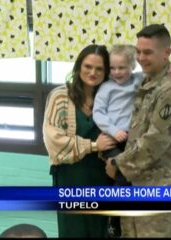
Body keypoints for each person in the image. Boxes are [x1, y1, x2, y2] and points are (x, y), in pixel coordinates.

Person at [105, 24, 171, 237]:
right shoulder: (149, 82)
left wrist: (119, 164)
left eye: (148, 52)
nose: (141, 58)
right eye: (138, 51)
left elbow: (154, 142)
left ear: (166, 53)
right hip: (140, 184)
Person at [43, 44, 117, 238]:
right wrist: (93, 145)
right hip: (70, 175)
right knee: (72, 230)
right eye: (88, 66)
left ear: (106, 72)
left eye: (99, 68)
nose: (93, 72)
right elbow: (53, 141)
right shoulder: (60, 96)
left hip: (102, 176)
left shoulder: (111, 99)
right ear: (78, 67)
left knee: (99, 230)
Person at [93, 44, 144, 160]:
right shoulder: (106, 88)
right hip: (111, 137)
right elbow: (98, 113)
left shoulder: (137, 79)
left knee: (133, 165)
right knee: (118, 166)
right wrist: (113, 130)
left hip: (132, 138)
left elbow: (156, 71)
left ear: (132, 66)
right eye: (112, 68)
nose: (116, 72)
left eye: (122, 68)